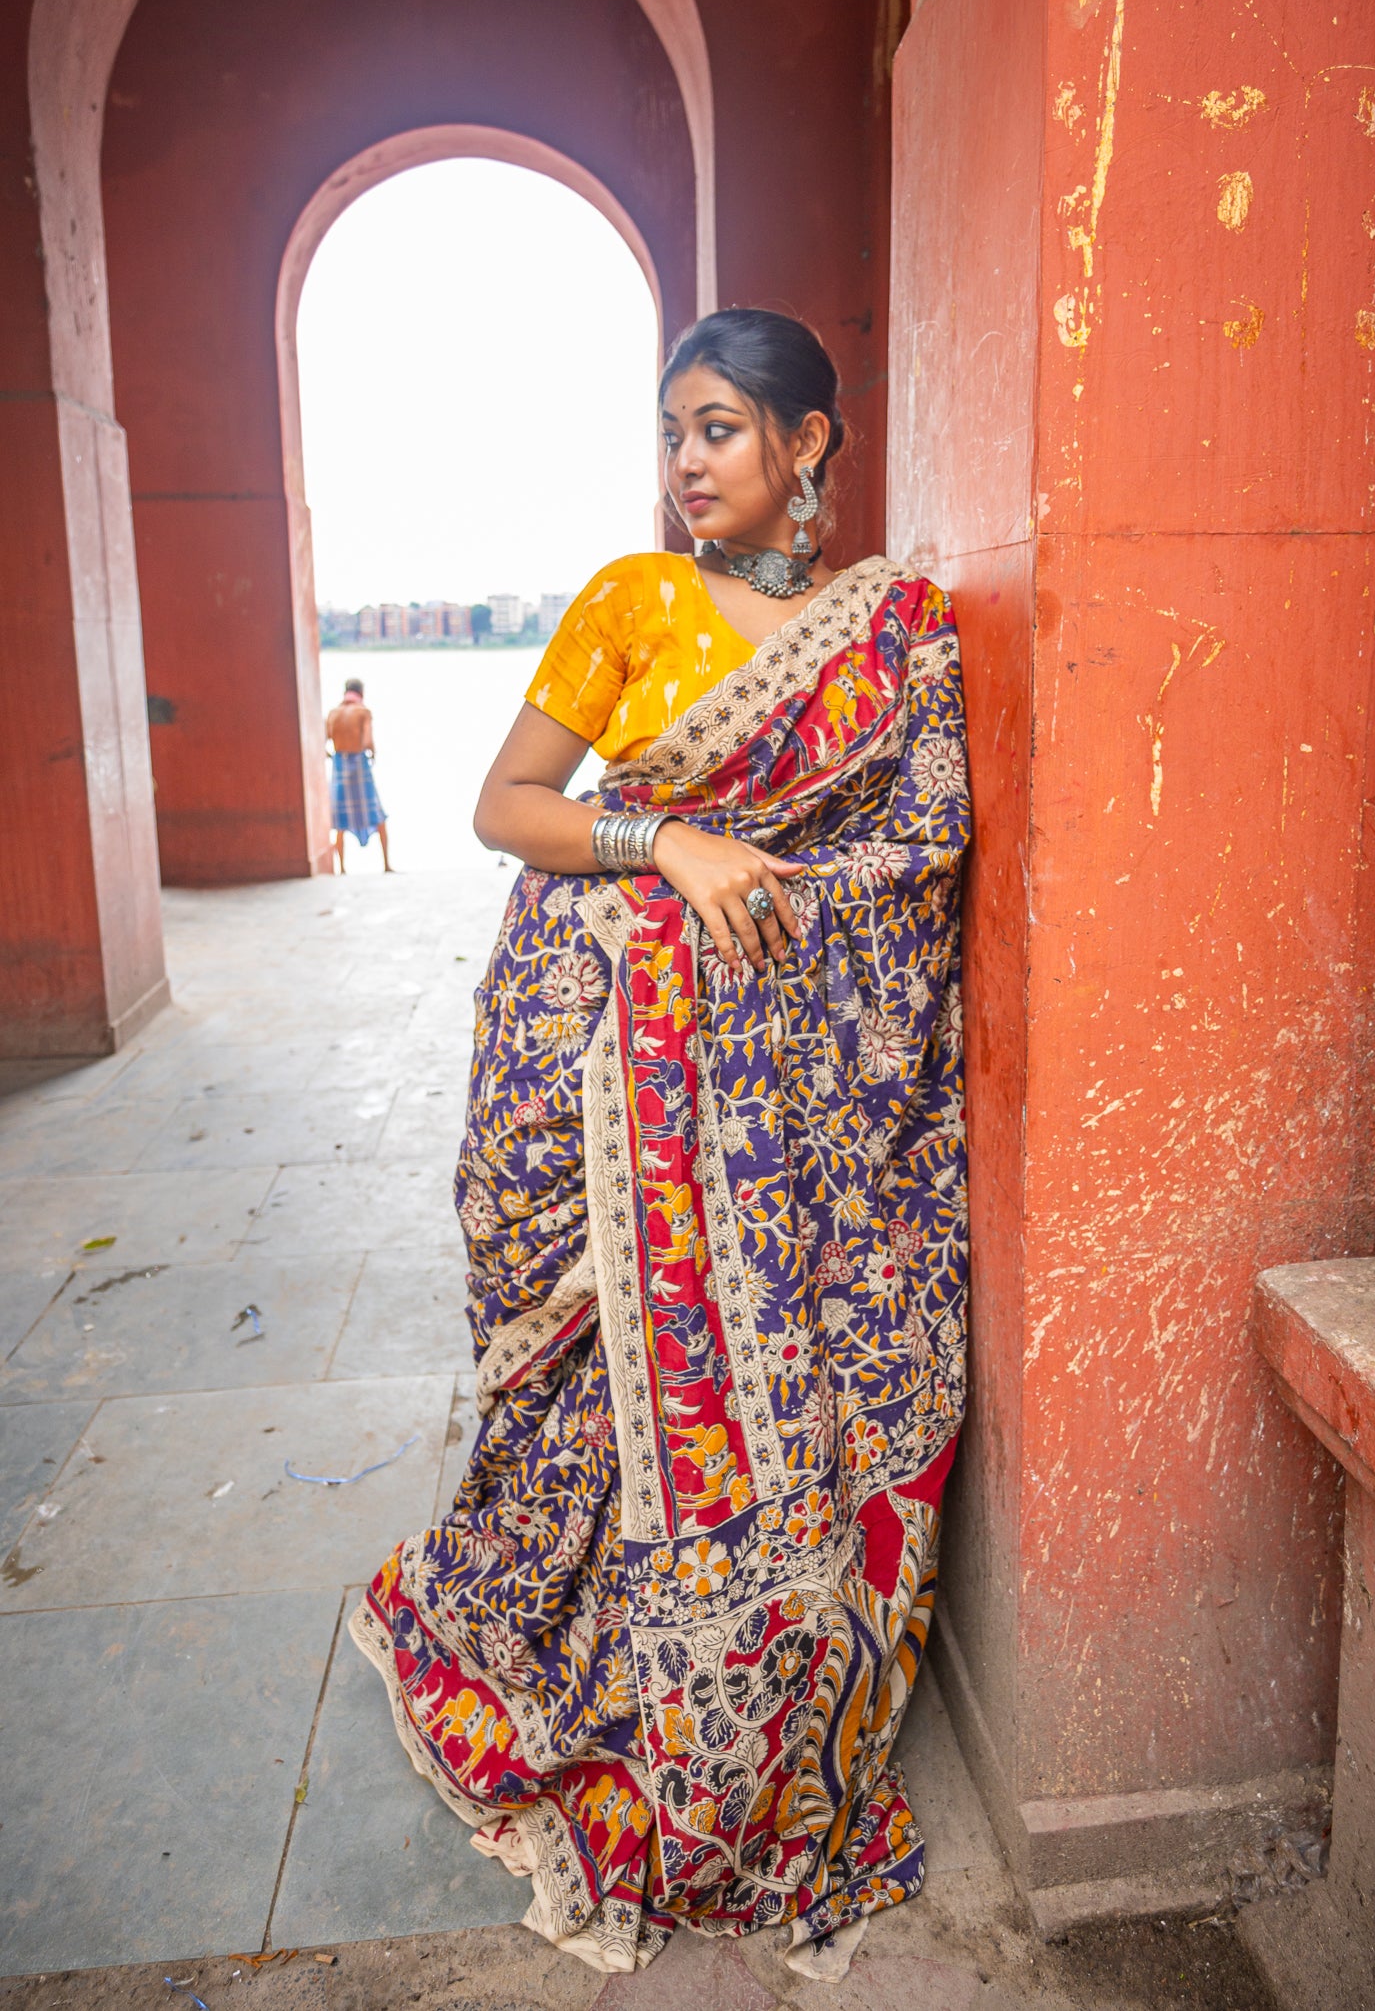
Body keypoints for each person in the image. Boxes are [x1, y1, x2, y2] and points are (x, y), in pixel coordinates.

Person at [352, 309, 970, 1980]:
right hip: (603, 1056)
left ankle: (745, 1700)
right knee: (596, 1391)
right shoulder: (630, 602)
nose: (686, 464)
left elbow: (915, 861)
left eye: (715, 430)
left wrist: (759, 914)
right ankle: (589, 1663)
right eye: (672, 435)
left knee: (802, 1383)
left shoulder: (896, 628)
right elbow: (510, 806)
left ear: (807, 443)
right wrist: (674, 842)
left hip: (783, 1089)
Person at [325, 676, 392, 873]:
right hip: (359, 767)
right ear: (361, 693)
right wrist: (372, 753)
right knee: (377, 815)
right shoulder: (363, 712)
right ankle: (386, 865)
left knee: (340, 822)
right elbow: (368, 740)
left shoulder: (333, 714)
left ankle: (342, 869)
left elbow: (324, 742)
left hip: (340, 767)